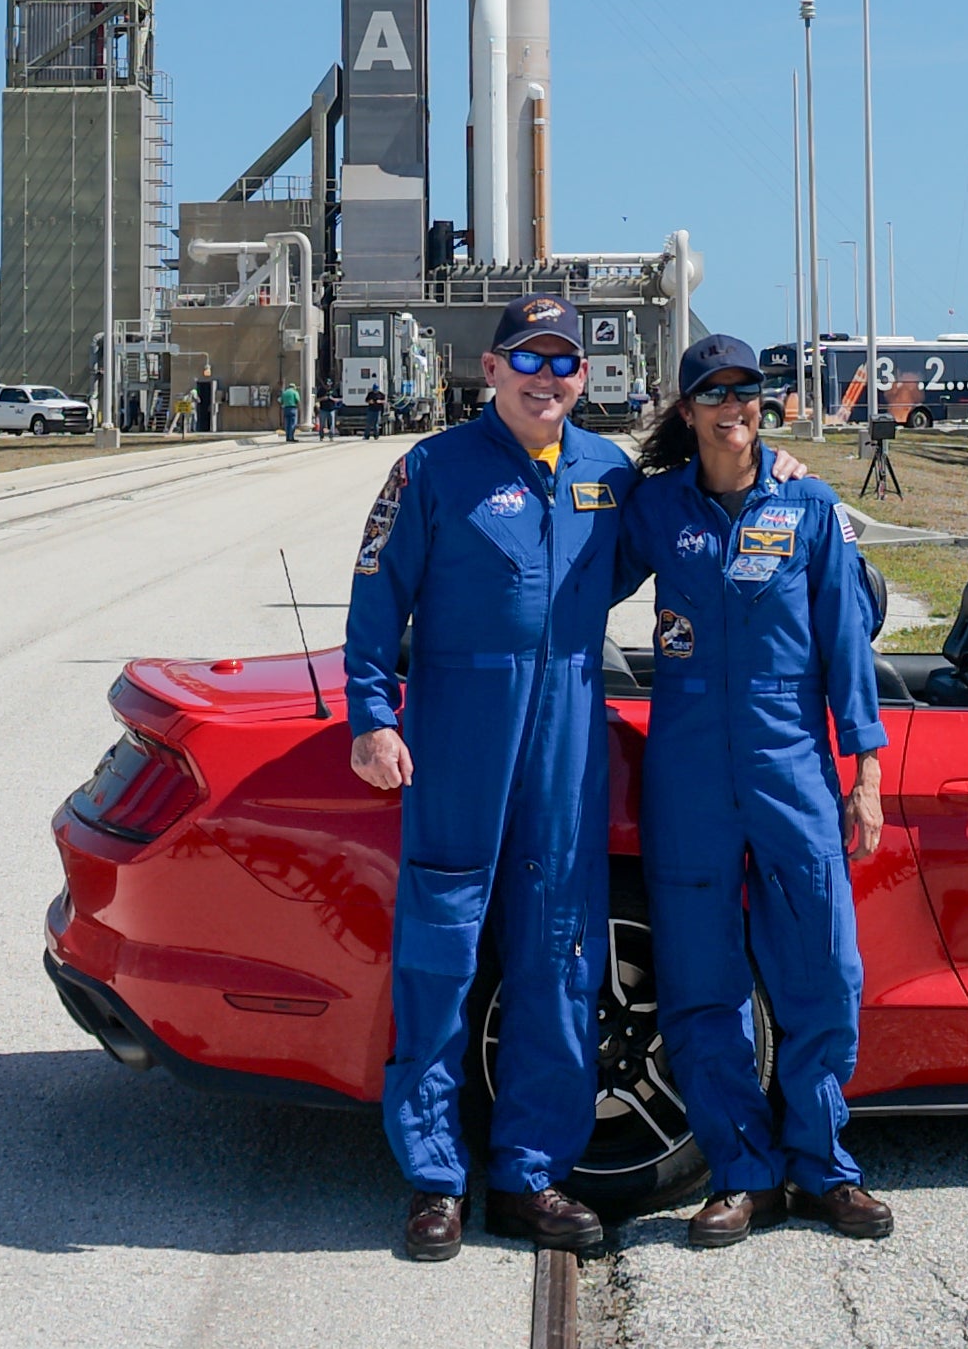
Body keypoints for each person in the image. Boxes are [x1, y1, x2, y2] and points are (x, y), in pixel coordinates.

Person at [345, 297, 639, 1263]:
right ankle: (435, 1179)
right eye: (527, 359)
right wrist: (373, 716)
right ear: (489, 367)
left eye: (562, 362)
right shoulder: (431, 468)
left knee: (559, 949)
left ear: (583, 377)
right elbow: (376, 595)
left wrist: (774, 473)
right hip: (460, 729)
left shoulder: (610, 472)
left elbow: (689, 525)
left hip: (567, 734)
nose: (544, 378)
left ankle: (529, 1173)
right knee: (439, 952)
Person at [617, 332, 893, 1249]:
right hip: (690, 766)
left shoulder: (812, 508)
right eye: (715, 392)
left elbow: (848, 649)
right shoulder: (656, 507)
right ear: (688, 408)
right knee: (703, 981)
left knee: (823, 970)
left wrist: (866, 772)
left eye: (748, 391)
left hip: (789, 764)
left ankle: (824, 1167)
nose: (735, 405)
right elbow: (572, 569)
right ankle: (742, 1173)